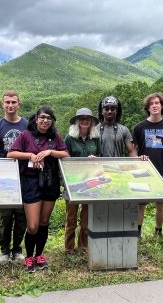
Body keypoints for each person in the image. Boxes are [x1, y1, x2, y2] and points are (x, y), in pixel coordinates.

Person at [7, 106, 69, 273]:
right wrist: (30, 156)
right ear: (36, 119)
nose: (45, 120)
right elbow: (11, 154)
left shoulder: (54, 137)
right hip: (31, 181)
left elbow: (65, 154)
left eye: (49, 118)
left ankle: (39, 255)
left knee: (44, 222)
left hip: (50, 182)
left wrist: (50, 151)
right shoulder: (26, 135)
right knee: (33, 225)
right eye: (42, 117)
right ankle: (28, 256)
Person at [0, 90, 28, 263]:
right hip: (4, 179)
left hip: (25, 176)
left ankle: (17, 250)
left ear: (19, 104)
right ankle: (4, 251)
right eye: (7, 102)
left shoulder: (27, 125)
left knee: (21, 217)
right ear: (2, 104)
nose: (10, 105)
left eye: (14, 102)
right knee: (5, 217)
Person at [132, 93, 163, 236]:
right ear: (148, 108)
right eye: (151, 104)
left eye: (157, 103)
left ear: (162, 106)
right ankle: (137, 232)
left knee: (160, 203)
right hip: (143, 171)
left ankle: (158, 232)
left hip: (162, 171)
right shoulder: (139, 127)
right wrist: (138, 159)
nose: (155, 106)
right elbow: (134, 151)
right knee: (140, 204)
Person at [64, 108, 100, 254]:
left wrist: (95, 159)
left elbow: (100, 158)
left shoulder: (95, 139)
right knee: (71, 218)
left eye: (88, 118)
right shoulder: (69, 138)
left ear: (91, 121)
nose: (85, 121)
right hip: (73, 182)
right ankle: (68, 248)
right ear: (77, 121)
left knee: (86, 218)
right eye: (82, 118)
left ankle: (83, 246)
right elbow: (64, 160)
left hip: (90, 182)